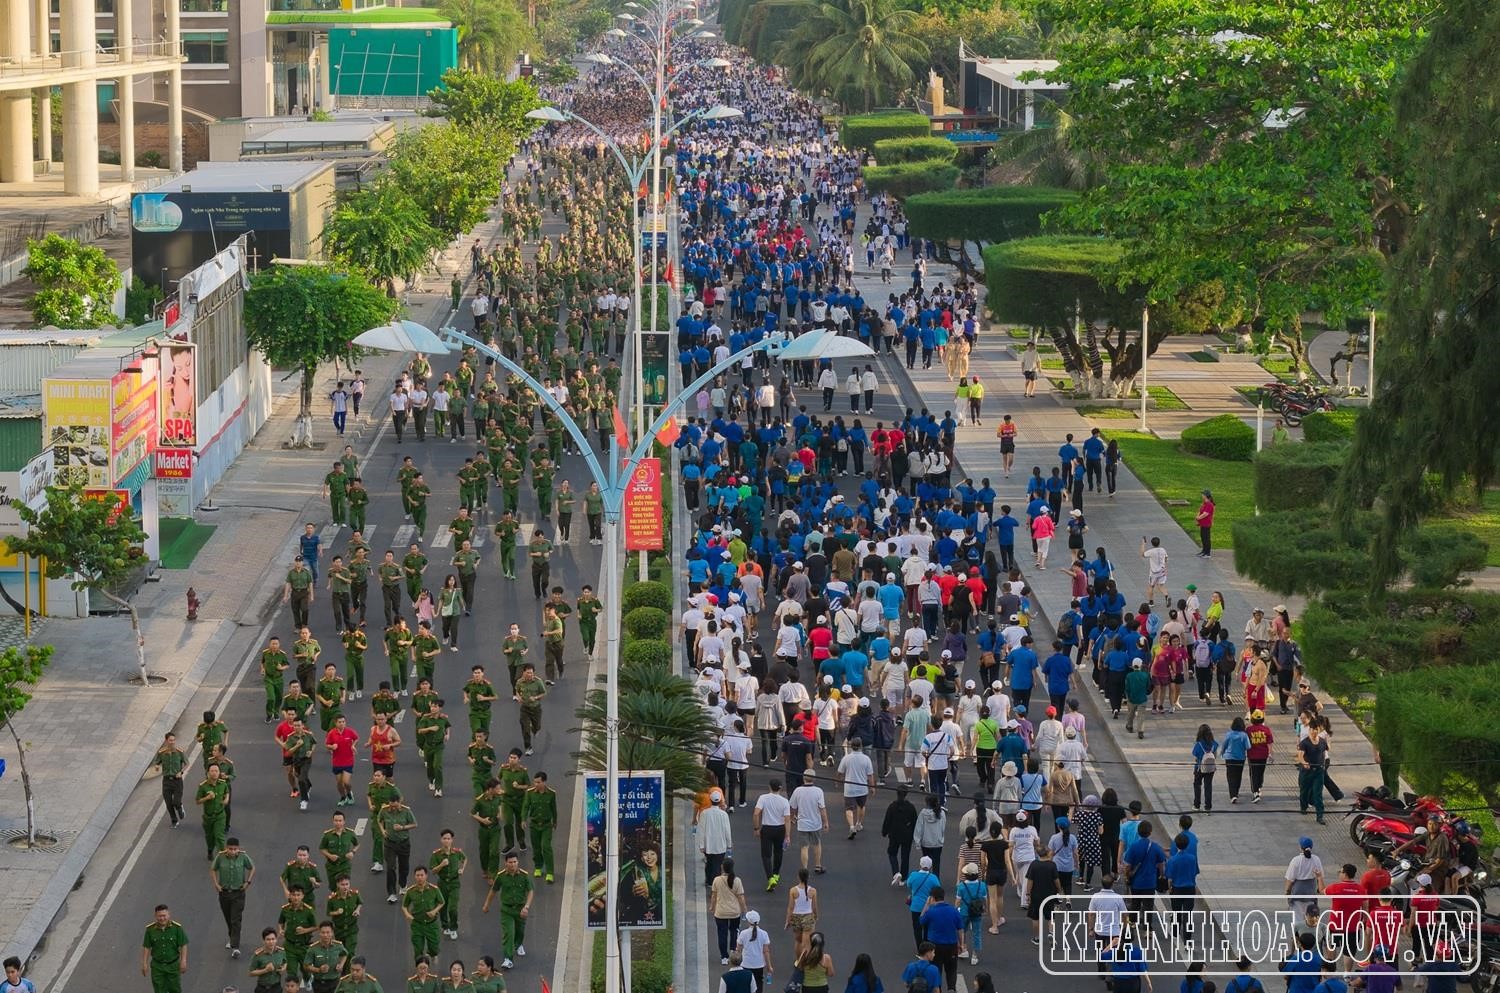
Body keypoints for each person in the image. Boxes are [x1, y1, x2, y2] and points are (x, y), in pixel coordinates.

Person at [480, 850, 533, 969]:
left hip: (520, 909)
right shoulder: (501, 876)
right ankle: (508, 958)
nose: (513, 864)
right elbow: (494, 890)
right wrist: (486, 904)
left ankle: (519, 944)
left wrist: (527, 906)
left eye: (515, 862)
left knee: (520, 930)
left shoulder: (524, 875)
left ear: (518, 862)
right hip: (506, 910)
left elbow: (530, 891)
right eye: (510, 862)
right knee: (508, 933)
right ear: (506, 863)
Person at [210, 836, 255, 957]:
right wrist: (216, 884)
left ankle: (235, 947)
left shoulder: (243, 857)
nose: (233, 851)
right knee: (228, 918)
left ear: (238, 849)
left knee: (236, 919)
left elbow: (252, 868)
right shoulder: (220, 857)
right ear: (226, 848)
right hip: (224, 893)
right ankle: (232, 937)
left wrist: (248, 882)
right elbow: (213, 869)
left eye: (235, 849)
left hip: (238, 893)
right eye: (230, 849)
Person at [919, 888, 963, 992]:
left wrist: (927, 905)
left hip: (935, 946)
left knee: (936, 970)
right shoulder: (953, 911)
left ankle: (938, 989)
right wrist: (961, 944)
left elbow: (921, 920)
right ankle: (951, 988)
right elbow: (960, 929)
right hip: (951, 944)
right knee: (951, 970)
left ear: (932, 898)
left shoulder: (931, 912)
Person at [753, 779, 791, 890]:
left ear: (769, 787)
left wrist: (756, 828)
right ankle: (776, 874)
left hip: (767, 829)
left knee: (766, 855)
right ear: (780, 788)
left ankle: (770, 878)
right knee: (778, 852)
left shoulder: (763, 798)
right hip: (780, 829)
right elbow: (787, 819)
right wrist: (787, 835)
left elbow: (756, 814)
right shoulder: (784, 801)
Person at [142, 904, 189, 993]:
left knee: (175, 989)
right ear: (155, 916)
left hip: (173, 966)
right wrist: (144, 963)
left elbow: (183, 945)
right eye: (159, 916)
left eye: (164, 915)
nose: (162, 918)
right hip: (157, 967)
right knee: (159, 990)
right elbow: (146, 947)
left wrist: (183, 961)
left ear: (169, 915)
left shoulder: (176, 928)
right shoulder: (150, 930)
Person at [710, 857, 748, 965]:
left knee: (722, 934)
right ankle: (732, 951)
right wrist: (745, 910)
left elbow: (714, 895)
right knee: (734, 932)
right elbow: (741, 897)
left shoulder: (717, 880)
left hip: (720, 912)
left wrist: (712, 907)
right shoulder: (737, 881)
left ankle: (724, 957)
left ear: (722, 867)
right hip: (734, 912)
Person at [791, 769, 829, 873]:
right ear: (814, 779)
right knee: (817, 844)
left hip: (802, 824)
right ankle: (818, 865)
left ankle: (804, 869)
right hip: (815, 824)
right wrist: (825, 822)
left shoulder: (797, 791)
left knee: (804, 847)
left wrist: (792, 817)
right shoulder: (818, 791)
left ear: (803, 778)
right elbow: (822, 808)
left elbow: (793, 807)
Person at [838, 737, 876, 837]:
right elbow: (870, 775)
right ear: (861, 746)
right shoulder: (866, 759)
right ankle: (858, 824)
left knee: (849, 808)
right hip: (862, 788)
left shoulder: (846, 758)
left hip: (849, 789)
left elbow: (840, 772)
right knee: (861, 806)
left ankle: (851, 826)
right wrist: (872, 787)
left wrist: (838, 781)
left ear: (851, 746)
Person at [883, 785, 919, 884]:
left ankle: (896, 872)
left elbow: (887, 820)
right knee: (905, 856)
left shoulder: (892, 806)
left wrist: (884, 831)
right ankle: (903, 878)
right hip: (907, 835)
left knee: (892, 853)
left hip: (894, 834)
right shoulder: (911, 807)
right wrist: (915, 835)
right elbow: (915, 821)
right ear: (906, 794)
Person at [152, 731, 188, 827]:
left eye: (173, 740)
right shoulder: (162, 753)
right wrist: (156, 766)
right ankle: (174, 820)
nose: (172, 742)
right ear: (166, 741)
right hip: (167, 781)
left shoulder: (180, 752)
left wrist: (181, 772)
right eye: (170, 740)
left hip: (177, 781)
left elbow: (186, 763)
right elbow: (157, 761)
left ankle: (180, 807)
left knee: (176, 801)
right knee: (168, 803)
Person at [785, 868, 819, 962]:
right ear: (808, 877)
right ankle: (806, 961)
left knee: (798, 941)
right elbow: (814, 906)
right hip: (808, 916)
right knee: (807, 943)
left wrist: (788, 920)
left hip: (796, 917)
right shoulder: (813, 891)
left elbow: (791, 907)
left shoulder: (793, 890)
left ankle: (798, 960)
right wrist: (816, 916)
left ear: (798, 877)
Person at [737, 910, 774, 993]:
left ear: (748, 921)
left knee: (745, 985)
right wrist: (769, 966)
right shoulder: (764, 934)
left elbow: (738, 949)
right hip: (759, 964)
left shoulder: (743, 933)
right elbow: (766, 951)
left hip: (746, 963)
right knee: (758, 985)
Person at [1196, 490, 1215, 557]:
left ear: (1206, 496)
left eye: (1203, 494)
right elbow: (1200, 511)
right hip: (1202, 524)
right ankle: (1204, 551)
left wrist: (1198, 518)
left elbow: (1205, 514)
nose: (1202, 495)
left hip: (1207, 524)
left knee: (1206, 538)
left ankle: (1207, 553)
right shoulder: (1204, 503)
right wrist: (1197, 518)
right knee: (1203, 537)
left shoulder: (1209, 504)